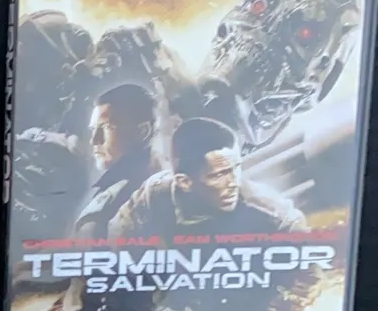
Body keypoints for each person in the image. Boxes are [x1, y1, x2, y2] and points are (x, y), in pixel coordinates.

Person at [111, 115, 303, 239]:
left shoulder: (268, 209)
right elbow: (118, 235)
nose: (234, 183)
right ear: (184, 182)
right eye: (218, 175)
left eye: (236, 167)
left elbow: (301, 238)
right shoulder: (155, 194)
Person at [72, 82, 158, 239]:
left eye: (106, 128)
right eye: (93, 129)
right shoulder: (116, 186)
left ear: (142, 131)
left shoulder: (143, 192)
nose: (94, 140)